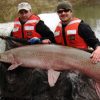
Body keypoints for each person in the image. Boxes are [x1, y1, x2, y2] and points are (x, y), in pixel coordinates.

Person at [0, 2, 74, 100]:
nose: (23, 14)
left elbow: (51, 37)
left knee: (38, 73)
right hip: (22, 52)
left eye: (25, 12)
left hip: (38, 50)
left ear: (30, 12)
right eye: (21, 12)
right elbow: (13, 38)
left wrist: (40, 39)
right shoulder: (16, 25)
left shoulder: (38, 24)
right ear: (19, 13)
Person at [54, 1, 100, 99]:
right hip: (63, 62)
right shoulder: (57, 29)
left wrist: (98, 49)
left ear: (71, 12)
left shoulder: (82, 26)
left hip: (81, 60)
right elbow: (55, 45)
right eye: (60, 12)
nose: (63, 13)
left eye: (66, 10)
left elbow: (95, 42)